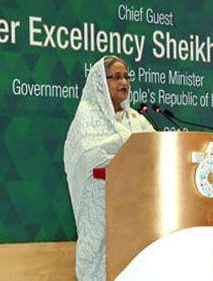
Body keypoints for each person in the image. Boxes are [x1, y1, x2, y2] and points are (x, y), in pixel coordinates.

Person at [64, 56, 154, 280]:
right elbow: (88, 158)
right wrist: (124, 161)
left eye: (126, 77)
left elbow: (155, 152)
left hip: (135, 213)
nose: (124, 82)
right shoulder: (87, 118)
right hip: (101, 209)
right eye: (116, 77)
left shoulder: (137, 120)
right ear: (100, 83)